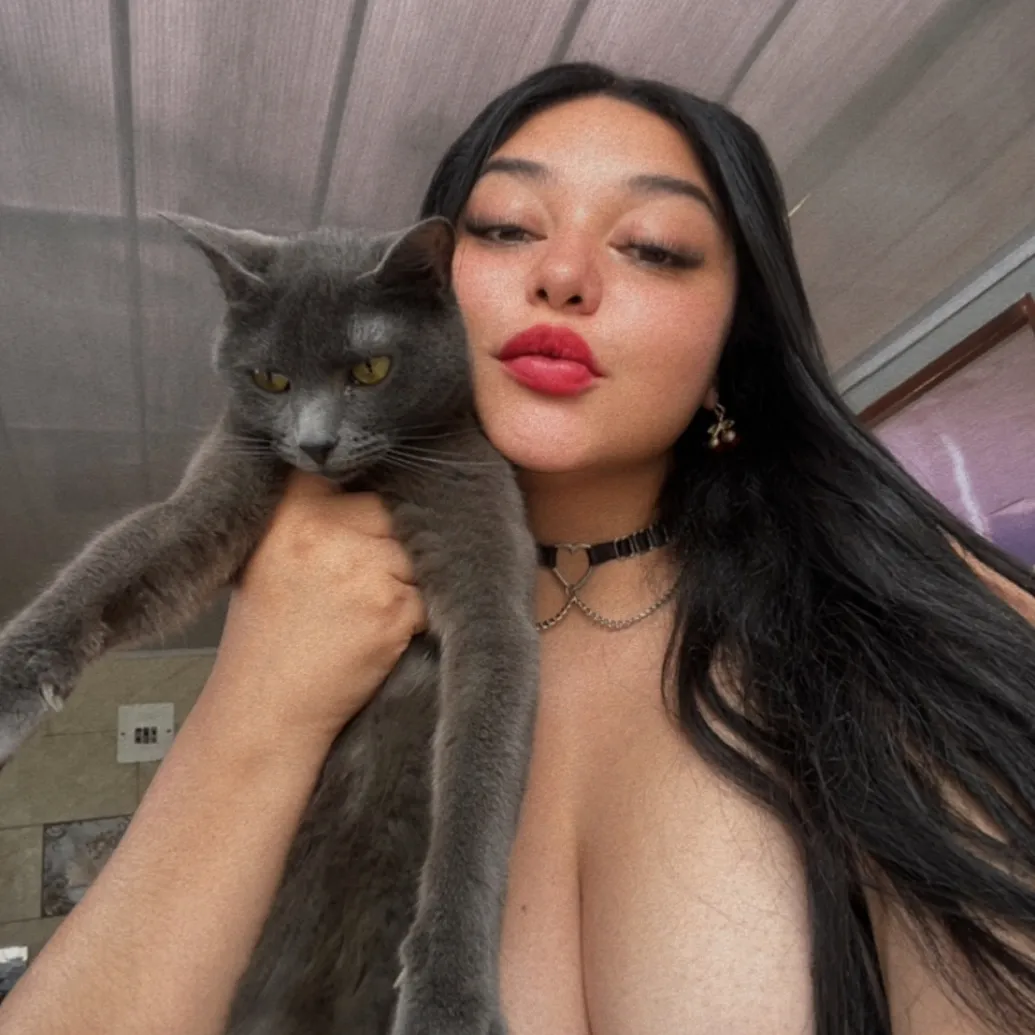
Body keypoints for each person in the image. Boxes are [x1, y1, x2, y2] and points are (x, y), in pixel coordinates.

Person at [2, 61, 1034, 1035]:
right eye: (504, 228)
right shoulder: (313, 562)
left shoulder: (893, 630)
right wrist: (258, 699)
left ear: (736, 338)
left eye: (653, 246)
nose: (564, 275)